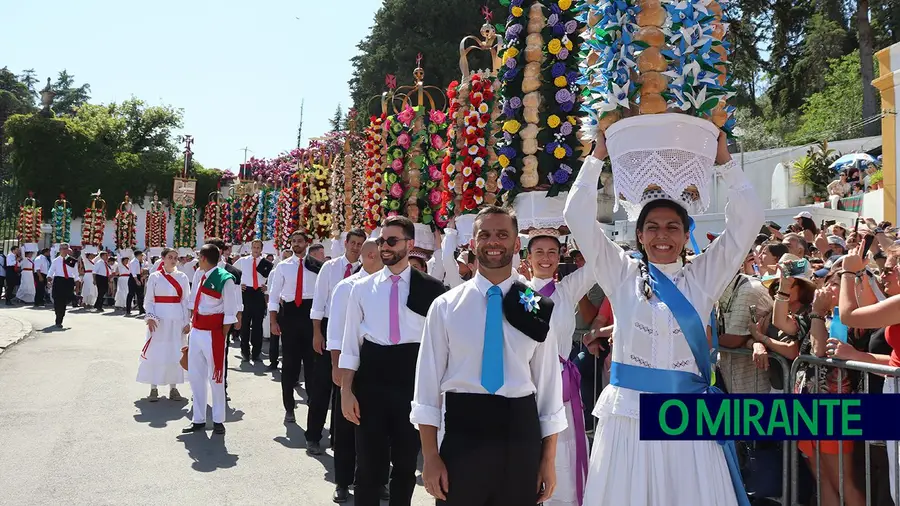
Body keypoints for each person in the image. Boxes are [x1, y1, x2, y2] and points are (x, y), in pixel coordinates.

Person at [565, 133, 762, 506]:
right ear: (639, 235)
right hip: (629, 416)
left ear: (687, 235)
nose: (662, 236)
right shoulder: (620, 273)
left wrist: (724, 161)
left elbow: (748, 219)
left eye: (673, 227)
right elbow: (576, 216)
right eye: (652, 227)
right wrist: (597, 158)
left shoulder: (703, 278)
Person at [412, 206, 566, 506]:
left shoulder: (535, 306)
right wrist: (430, 456)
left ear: (516, 244)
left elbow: (548, 388)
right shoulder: (445, 307)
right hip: (464, 431)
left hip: (520, 432)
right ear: (472, 243)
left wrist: (548, 460)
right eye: (485, 235)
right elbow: (427, 387)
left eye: (502, 235)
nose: (493, 242)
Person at [340, 215, 446, 506]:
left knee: (404, 464)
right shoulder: (361, 289)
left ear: (409, 244)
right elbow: (351, 344)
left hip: (412, 378)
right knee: (369, 466)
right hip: (371, 379)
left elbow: (441, 344)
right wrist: (346, 391)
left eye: (392, 241)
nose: (384, 247)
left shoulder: (433, 290)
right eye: (382, 240)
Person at [519, 228, 594, 506]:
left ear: (561, 255)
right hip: (526, 380)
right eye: (539, 251)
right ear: (528, 256)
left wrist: (578, 228)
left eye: (552, 252)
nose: (546, 258)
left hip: (561, 380)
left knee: (563, 448)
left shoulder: (567, 289)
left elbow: (598, 263)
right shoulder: (517, 291)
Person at [325, 238, 385, 503]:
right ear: (371, 255)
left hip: (379, 369)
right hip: (350, 367)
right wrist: (337, 366)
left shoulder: (388, 286)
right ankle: (342, 480)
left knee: (379, 430)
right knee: (347, 428)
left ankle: (377, 479)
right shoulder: (346, 287)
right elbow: (336, 331)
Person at [309, 229, 365, 460]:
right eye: (353, 242)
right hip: (329, 329)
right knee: (322, 386)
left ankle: (338, 436)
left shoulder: (367, 271)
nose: (356, 247)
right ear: (345, 243)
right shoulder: (330, 268)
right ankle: (313, 435)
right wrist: (316, 333)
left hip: (355, 333)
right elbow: (319, 301)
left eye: (360, 244)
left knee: (346, 386)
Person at [267, 229, 322, 435]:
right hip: (289, 315)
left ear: (307, 243)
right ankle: (289, 407)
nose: (296, 244)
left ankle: (312, 403)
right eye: (293, 241)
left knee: (312, 364)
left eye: (300, 241)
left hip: (310, 315)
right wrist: (273, 321)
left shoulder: (317, 266)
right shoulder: (283, 267)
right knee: (289, 365)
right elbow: (273, 296)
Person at [182, 244, 239, 435]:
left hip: (214, 333)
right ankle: (198, 418)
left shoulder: (225, 279)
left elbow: (230, 312)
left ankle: (218, 420)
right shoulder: (200, 274)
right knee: (196, 376)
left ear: (204, 258)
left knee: (216, 377)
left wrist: (222, 335)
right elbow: (195, 303)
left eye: (200, 257)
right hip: (197, 330)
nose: (198, 260)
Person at [137, 248, 190, 402]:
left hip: (176, 320)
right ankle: (153, 388)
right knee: (157, 351)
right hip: (159, 321)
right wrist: (151, 317)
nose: (173, 260)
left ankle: (173, 388)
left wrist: (187, 322)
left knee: (175, 352)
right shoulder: (155, 277)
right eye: (170, 257)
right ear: (163, 259)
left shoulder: (182, 277)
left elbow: (185, 301)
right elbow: (149, 300)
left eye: (175, 257)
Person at [234, 239, 271, 361]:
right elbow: (231, 274)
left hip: (259, 293)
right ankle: (245, 352)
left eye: (258, 247)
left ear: (261, 249)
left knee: (257, 325)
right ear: (251, 248)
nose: (256, 250)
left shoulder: (266, 263)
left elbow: (272, 278)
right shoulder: (243, 261)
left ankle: (256, 352)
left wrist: (267, 287)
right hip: (247, 293)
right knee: (245, 324)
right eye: (254, 247)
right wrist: (239, 286)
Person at [47, 243, 77, 328]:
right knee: (58, 301)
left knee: (65, 301)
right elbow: (51, 270)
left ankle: (72, 299)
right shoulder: (56, 260)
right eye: (62, 248)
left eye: (66, 248)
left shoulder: (72, 260)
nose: (64, 250)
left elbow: (75, 272)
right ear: (60, 250)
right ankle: (58, 320)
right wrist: (49, 277)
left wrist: (77, 281)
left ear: (68, 250)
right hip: (59, 281)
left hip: (69, 281)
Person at [127, 250, 146, 315]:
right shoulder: (133, 262)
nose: (142, 257)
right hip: (133, 278)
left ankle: (141, 310)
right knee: (131, 294)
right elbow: (133, 272)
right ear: (138, 255)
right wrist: (137, 280)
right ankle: (128, 310)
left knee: (140, 294)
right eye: (141, 255)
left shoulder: (139, 262)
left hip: (138, 277)